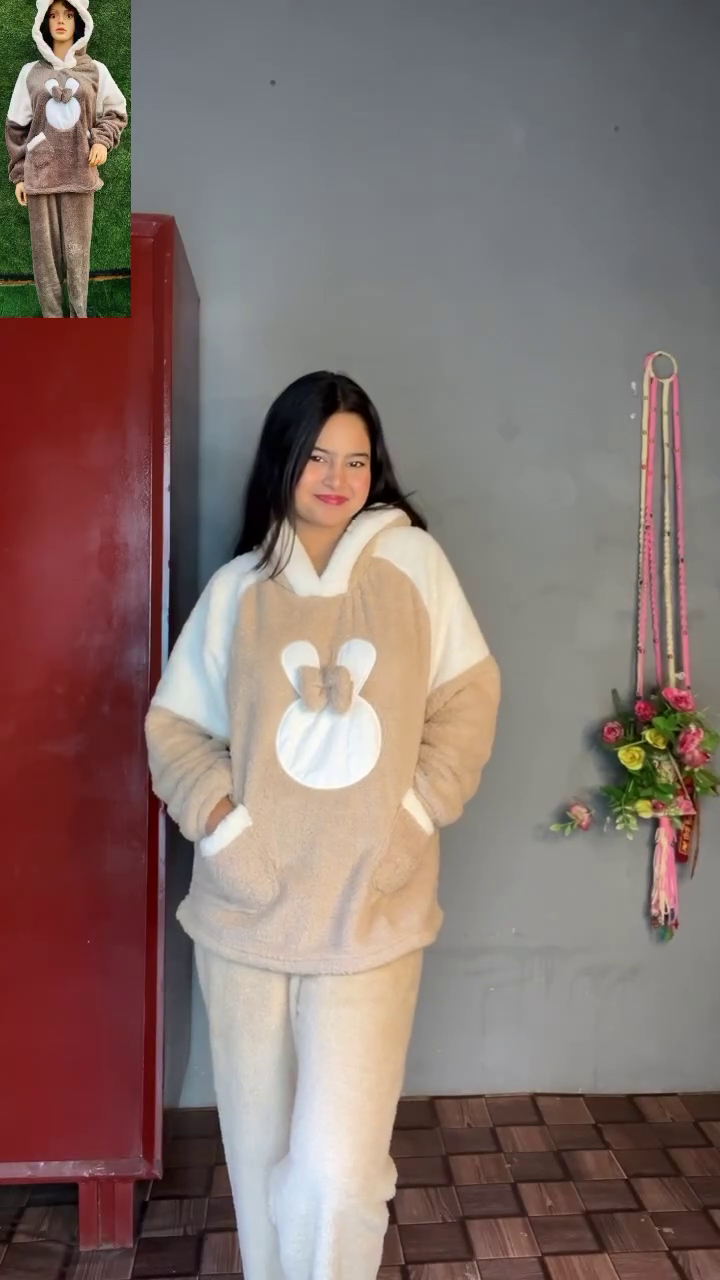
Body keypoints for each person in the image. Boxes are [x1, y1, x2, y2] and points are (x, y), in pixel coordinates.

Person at [145, 371, 501, 1280]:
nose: (337, 478)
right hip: (247, 918)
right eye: (316, 457)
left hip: (370, 912)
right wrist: (225, 831)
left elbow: (468, 701)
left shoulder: (413, 565)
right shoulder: (239, 588)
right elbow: (174, 730)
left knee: (338, 1173)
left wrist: (412, 821)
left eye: (356, 460)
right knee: (258, 1155)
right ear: (283, 461)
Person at [5, 0, 127, 317]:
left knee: (77, 253)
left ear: (80, 20)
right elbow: (16, 126)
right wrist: (20, 174)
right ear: (44, 22)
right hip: (40, 174)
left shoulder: (96, 71)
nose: (61, 20)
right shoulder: (30, 73)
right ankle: (52, 320)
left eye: (68, 14)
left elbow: (115, 113)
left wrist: (101, 141)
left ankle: (78, 317)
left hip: (80, 173)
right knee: (45, 258)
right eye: (54, 15)